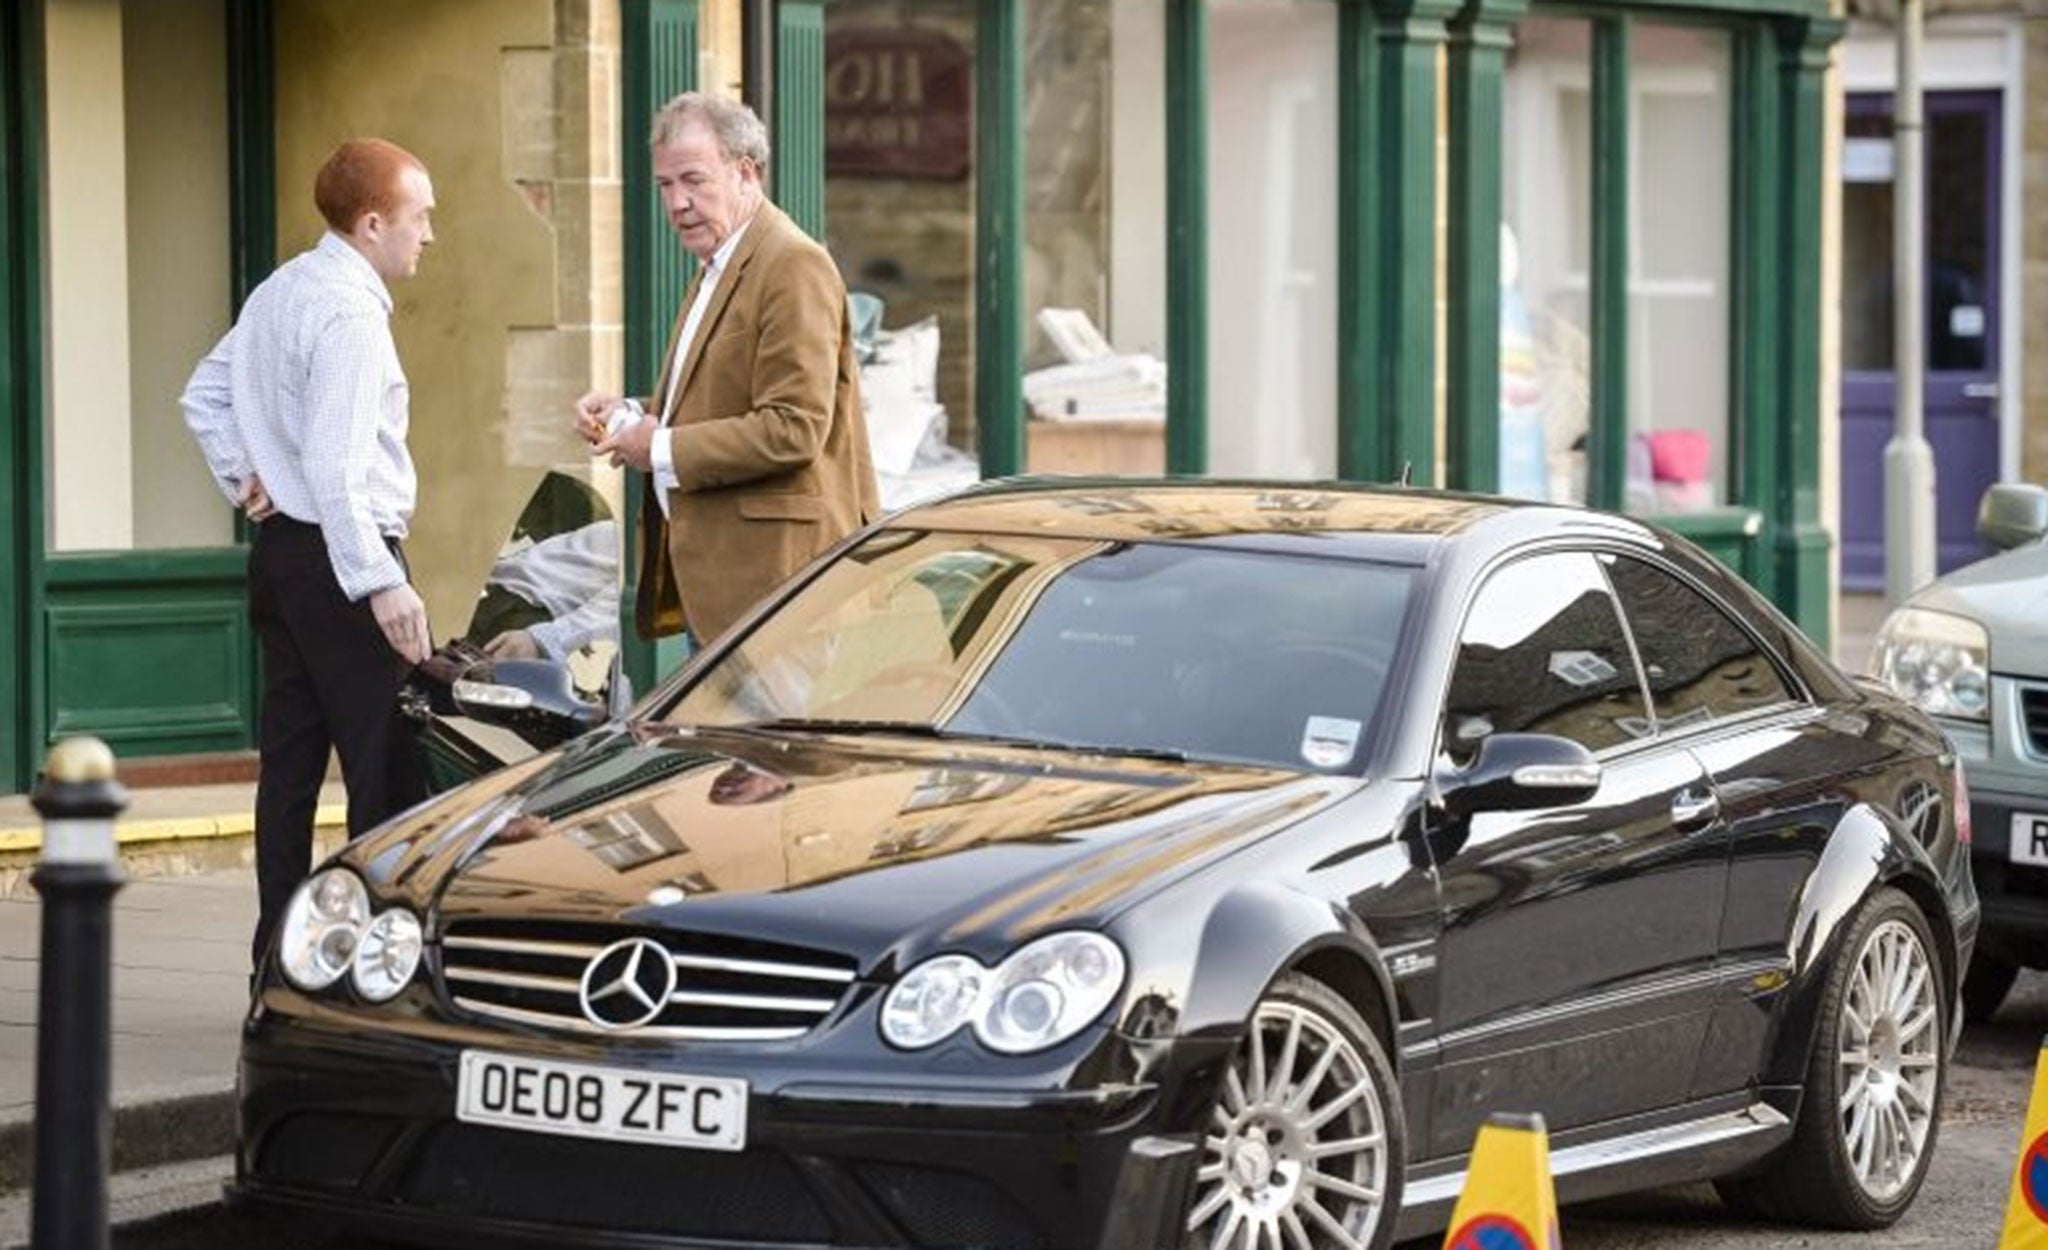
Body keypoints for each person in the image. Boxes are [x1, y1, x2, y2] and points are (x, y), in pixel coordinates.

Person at [180, 138, 437, 968]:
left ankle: (274, 958)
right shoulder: (351, 314)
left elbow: (204, 393)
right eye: (418, 217)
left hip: (282, 558)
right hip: (342, 560)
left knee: (288, 770)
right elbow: (335, 467)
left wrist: (243, 476)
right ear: (372, 224)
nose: (428, 234)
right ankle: (370, 962)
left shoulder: (283, 287)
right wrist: (382, 583)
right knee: (385, 773)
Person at [575, 92, 878, 648]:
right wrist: (631, 414)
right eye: (665, 186)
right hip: (728, 591)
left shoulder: (791, 263)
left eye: (693, 180)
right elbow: (719, 398)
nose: (677, 203)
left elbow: (793, 428)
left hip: (780, 596)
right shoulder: (720, 260)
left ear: (745, 174)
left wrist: (658, 448)